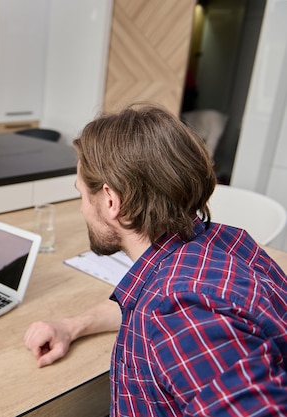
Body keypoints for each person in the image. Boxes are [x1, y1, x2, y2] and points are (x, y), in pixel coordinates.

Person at [24, 104, 287, 415]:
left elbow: (174, 314)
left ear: (111, 201)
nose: (82, 209)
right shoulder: (219, 243)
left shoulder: (180, 315)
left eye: (81, 194)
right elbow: (145, 305)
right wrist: (72, 326)